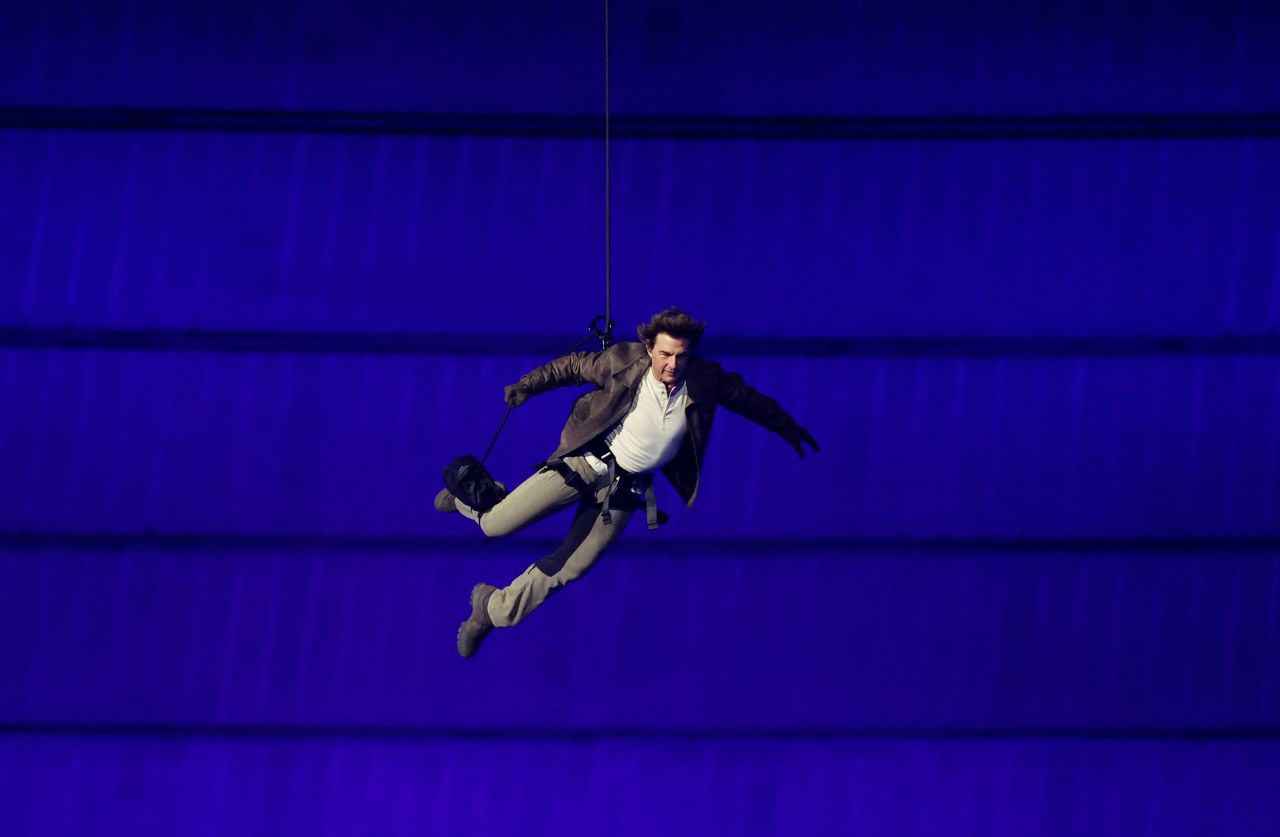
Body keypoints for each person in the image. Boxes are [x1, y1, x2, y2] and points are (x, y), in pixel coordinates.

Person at [436, 308, 820, 657]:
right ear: (650, 348)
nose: (673, 364)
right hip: (585, 464)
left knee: (574, 566)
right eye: (665, 354)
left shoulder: (705, 379)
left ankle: (492, 608)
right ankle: (465, 500)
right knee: (496, 523)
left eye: (681, 356)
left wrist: (789, 429)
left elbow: (751, 401)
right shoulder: (624, 360)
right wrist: (528, 385)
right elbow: (572, 366)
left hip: (624, 490)